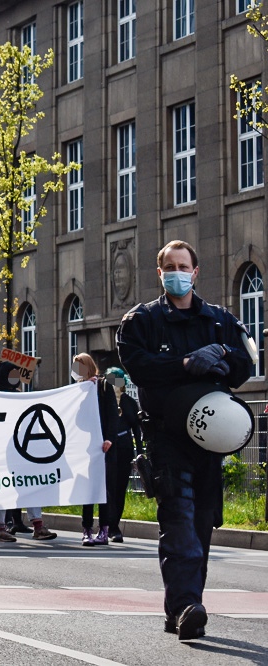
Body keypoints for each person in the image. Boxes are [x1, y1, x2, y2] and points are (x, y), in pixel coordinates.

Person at [117, 239, 253, 640]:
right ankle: (185, 607)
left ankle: (181, 605)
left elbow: (246, 362)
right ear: (160, 273)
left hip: (210, 442)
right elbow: (139, 367)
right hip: (166, 438)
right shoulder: (141, 320)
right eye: (170, 267)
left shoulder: (220, 320)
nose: (177, 273)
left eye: (184, 266)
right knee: (178, 520)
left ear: (195, 272)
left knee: (201, 524)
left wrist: (223, 357)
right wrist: (186, 363)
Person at [71, 353, 118, 545]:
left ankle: (104, 529)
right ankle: (87, 529)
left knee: (103, 489)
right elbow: (76, 418)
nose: (76, 370)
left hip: (103, 446)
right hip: (86, 447)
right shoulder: (78, 389)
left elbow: (113, 414)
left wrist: (109, 438)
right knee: (87, 489)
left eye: (79, 366)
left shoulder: (104, 385)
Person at [104, 367, 143, 543]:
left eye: (117, 381)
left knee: (120, 489)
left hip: (125, 450)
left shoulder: (129, 403)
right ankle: (106, 524)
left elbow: (137, 429)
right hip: (107, 450)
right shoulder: (103, 402)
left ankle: (114, 526)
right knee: (108, 488)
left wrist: (140, 454)